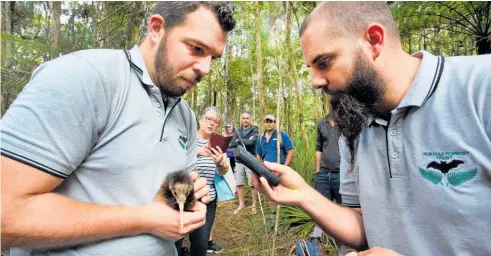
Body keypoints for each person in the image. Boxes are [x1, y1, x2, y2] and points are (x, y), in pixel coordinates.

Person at [252, 2, 491, 256]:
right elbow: (362, 224)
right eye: (312, 68)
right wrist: (303, 195)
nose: (315, 81)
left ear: (374, 41)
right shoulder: (353, 121)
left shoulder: (480, 86)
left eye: (324, 62)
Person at [1, 2, 235, 256]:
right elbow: (6, 212)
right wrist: (146, 219)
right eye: (196, 48)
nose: (206, 68)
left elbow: (181, 191)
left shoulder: (186, 116)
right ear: (157, 29)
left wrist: (193, 199)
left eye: (212, 57)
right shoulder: (85, 78)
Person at [176, 107, 229, 256]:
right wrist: (196, 152)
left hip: (207, 201)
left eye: (216, 121)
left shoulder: (219, 144)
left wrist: (221, 164)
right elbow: (173, 160)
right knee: (174, 242)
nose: (212, 123)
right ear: (200, 120)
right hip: (182, 198)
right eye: (208, 119)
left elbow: (223, 172)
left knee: (200, 245)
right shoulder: (187, 138)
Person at [309, 113, 350, 256]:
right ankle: (316, 239)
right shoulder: (322, 123)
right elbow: (318, 148)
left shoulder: (347, 121)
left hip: (342, 174)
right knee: (321, 207)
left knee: (344, 209)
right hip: (324, 173)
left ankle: (344, 243)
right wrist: (317, 170)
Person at [229, 112, 259, 214]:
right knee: (239, 183)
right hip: (239, 159)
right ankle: (241, 204)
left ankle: (254, 204)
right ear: (241, 119)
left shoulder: (255, 130)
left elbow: (251, 143)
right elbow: (232, 143)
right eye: (243, 118)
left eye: (247, 118)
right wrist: (239, 140)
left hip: (250, 159)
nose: (245, 120)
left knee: (252, 183)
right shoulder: (237, 130)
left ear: (250, 119)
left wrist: (239, 140)